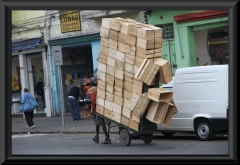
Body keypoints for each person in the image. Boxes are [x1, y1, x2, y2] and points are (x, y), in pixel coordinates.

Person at [88, 77, 111, 144]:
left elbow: (93, 100)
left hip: (96, 108)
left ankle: (107, 137)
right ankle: (97, 137)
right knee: (97, 123)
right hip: (102, 106)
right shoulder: (101, 89)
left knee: (101, 123)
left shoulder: (91, 90)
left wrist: (92, 109)